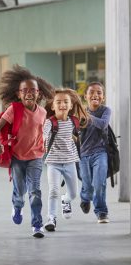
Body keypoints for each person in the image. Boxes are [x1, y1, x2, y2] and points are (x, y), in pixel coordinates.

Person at [0, 65, 54, 238]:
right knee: (20, 191)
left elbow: (44, 132)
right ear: (18, 94)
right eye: (24, 90)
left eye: (32, 90)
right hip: (18, 157)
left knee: (35, 190)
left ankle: (36, 225)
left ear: (39, 93)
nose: (29, 93)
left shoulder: (42, 112)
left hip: (36, 156)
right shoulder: (15, 109)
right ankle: (17, 206)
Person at [43, 88, 89, 231]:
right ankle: (51, 218)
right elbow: (43, 133)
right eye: (58, 102)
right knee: (53, 190)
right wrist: (43, 138)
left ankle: (66, 200)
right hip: (53, 163)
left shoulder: (74, 121)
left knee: (74, 194)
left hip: (70, 162)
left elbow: (77, 135)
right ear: (53, 106)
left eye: (66, 102)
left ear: (70, 105)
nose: (62, 104)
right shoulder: (50, 122)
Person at [79, 82, 111, 223]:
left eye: (99, 92)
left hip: (100, 152)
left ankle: (101, 212)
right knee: (87, 184)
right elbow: (77, 131)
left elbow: (103, 124)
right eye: (91, 92)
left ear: (103, 97)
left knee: (99, 183)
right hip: (84, 154)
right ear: (86, 96)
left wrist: (88, 117)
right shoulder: (80, 112)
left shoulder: (105, 110)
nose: (95, 95)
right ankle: (85, 197)